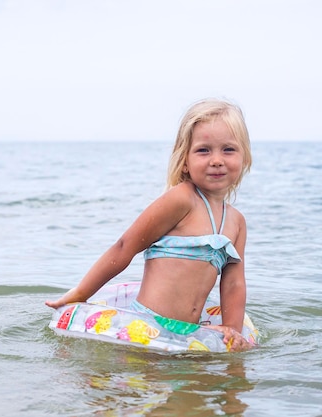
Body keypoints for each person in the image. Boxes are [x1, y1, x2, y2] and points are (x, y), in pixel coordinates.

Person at [46, 98, 254, 352]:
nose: (217, 160)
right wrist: (81, 293)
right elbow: (125, 246)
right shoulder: (182, 199)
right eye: (203, 150)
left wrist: (231, 330)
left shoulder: (236, 222)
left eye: (228, 150)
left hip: (189, 334)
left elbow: (233, 283)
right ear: (185, 161)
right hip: (146, 328)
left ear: (244, 157)